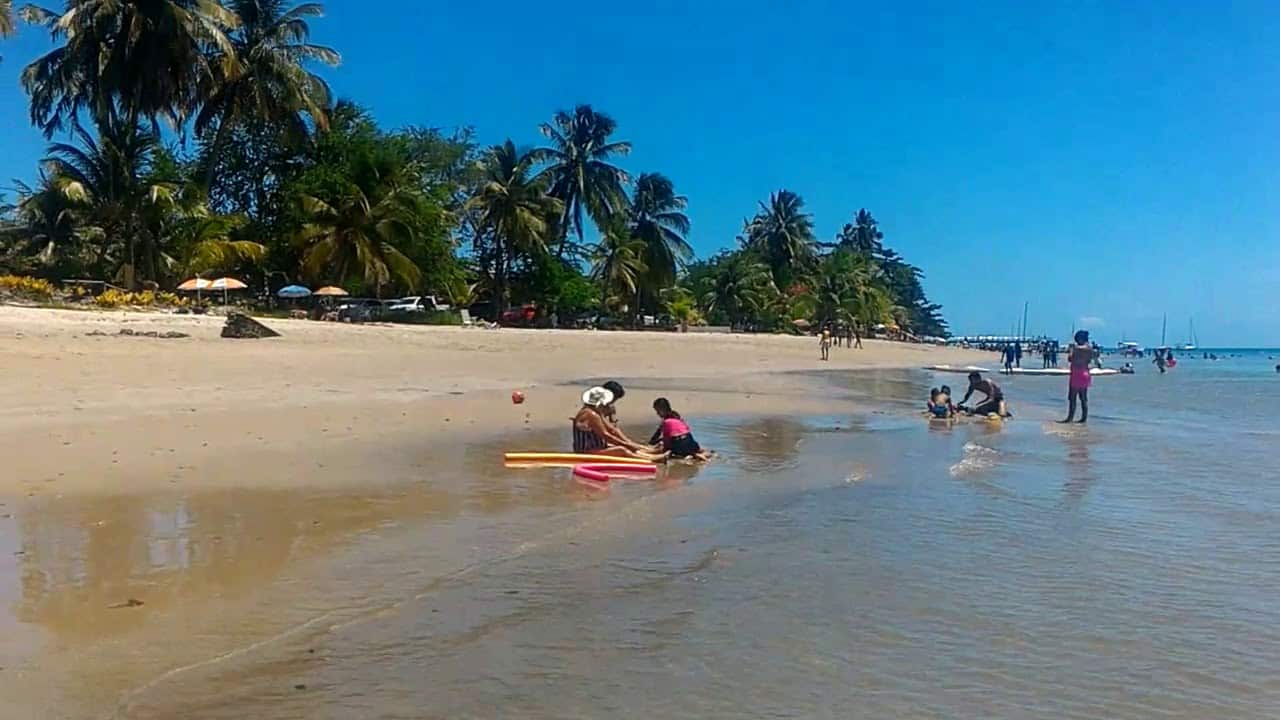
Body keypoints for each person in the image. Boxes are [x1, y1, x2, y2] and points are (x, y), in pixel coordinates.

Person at [572, 386, 667, 461]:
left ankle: (649, 453)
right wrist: (625, 444)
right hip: (586, 452)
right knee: (621, 450)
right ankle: (652, 460)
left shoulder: (593, 412)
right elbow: (606, 435)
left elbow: (610, 429)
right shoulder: (591, 415)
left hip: (595, 447)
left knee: (621, 447)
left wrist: (628, 443)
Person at [1060, 330, 1097, 424]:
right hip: (1085, 373)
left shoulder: (1076, 348)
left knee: (1072, 397)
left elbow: (1070, 358)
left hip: (1076, 373)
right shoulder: (1089, 349)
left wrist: (1071, 350)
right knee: (1083, 397)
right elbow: (1094, 358)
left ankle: (1070, 418)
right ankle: (1083, 419)